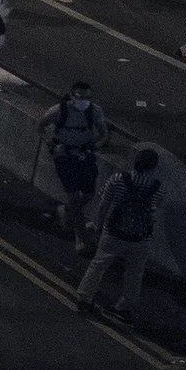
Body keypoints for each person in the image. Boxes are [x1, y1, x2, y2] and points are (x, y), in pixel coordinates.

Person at [75, 145, 164, 319]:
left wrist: (98, 225)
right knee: (135, 273)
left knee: (98, 265)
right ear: (154, 167)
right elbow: (153, 213)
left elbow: (104, 205)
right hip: (140, 238)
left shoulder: (118, 179)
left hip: (114, 232)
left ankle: (84, 298)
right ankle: (124, 308)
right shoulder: (158, 188)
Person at [40, 83, 109, 253]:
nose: (83, 101)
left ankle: (66, 211)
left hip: (84, 154)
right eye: (80, 96)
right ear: (71, 96)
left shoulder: (94, 111)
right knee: (73, 196)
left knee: (88, 193)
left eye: (87, 97)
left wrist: (94, 146)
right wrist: (50, 143)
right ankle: (80, 238)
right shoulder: (59, 111)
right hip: (65, 155)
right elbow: (41, 125)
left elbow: (103, 134)